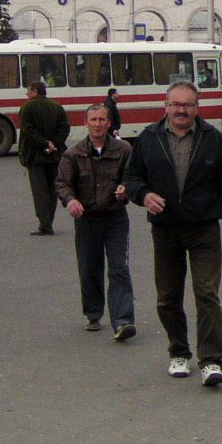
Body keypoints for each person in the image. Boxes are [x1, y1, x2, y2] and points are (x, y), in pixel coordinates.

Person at [123, 82, 222, 387]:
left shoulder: (213, 140)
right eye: (176, 104)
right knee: (167, 298)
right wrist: (144, 195)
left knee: (207, 294)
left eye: (188, 105)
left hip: (204, 228)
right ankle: (179, 352)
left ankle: (211, 361)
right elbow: (131, 178)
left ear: (198, 107)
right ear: (166, 105)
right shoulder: (148, 138)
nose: (181, 110)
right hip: (166, 229)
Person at [56, 104, 136, 340]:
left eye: (102, 120)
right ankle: (93, 313)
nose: (98, 124)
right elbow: (62, 183)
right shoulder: (74, 153)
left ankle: (123, 321)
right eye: (93, 120)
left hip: (115, 218)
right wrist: (70, 200)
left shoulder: (124, 150)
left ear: (109, 123)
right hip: (87, 219)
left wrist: (126, 190)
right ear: (86, 122)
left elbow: (134, 178)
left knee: (119, 267)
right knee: (89, 267)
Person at [18, 81, 71, 236]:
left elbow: (28, 130)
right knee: (52, 190)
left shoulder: (27, 107)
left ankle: (45, 224)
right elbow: (65, 127)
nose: (26, 94)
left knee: (39, 191)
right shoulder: (57, 107)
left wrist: (44, 144)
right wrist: (55, 144)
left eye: (28, 90)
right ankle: (49, 221)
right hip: (54, 156)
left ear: (35, 91)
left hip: (35, 156)